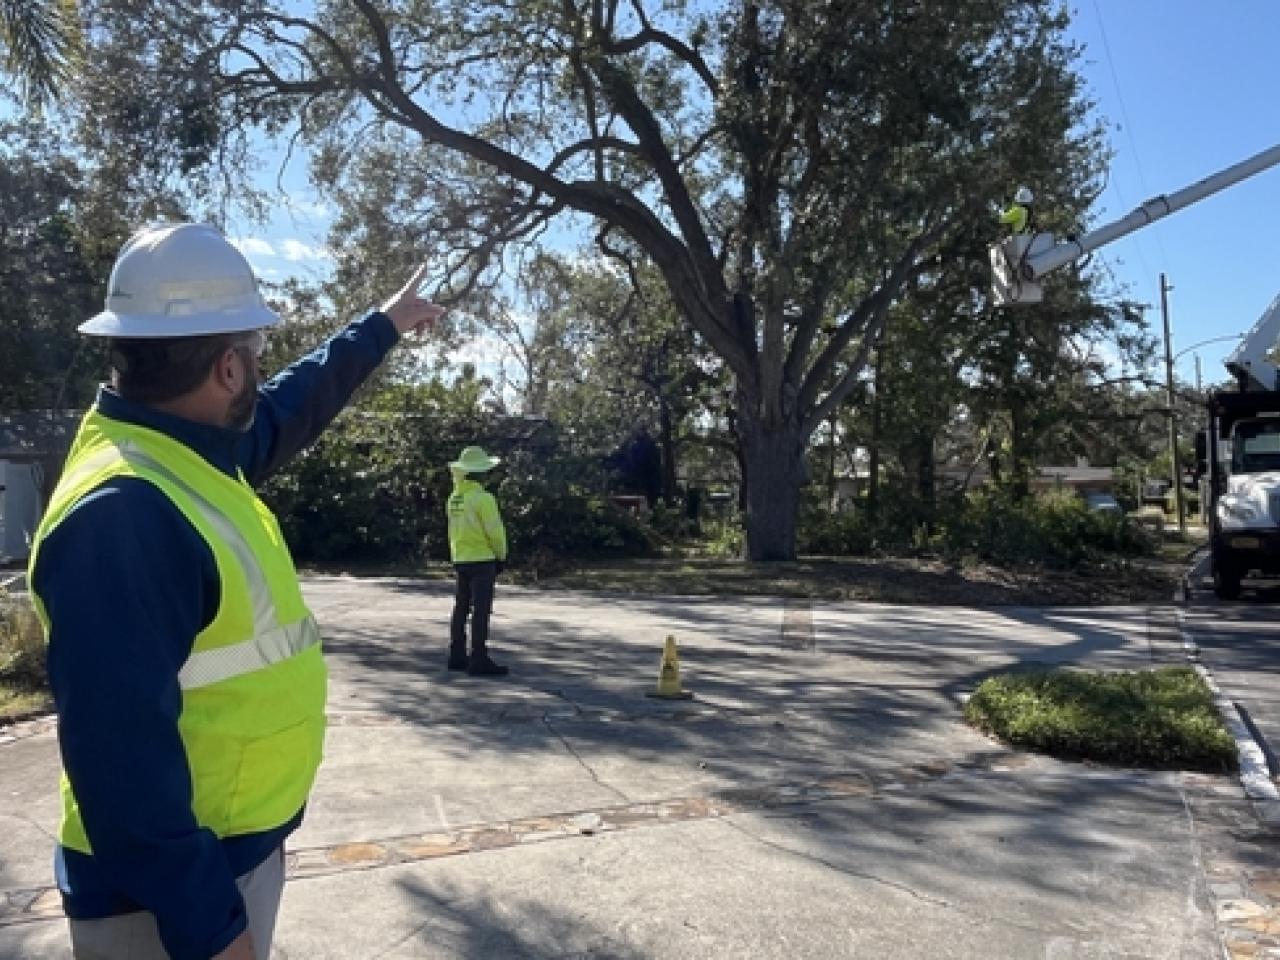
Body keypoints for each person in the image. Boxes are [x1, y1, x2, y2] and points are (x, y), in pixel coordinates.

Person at [26, 222, 443, 960]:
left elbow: (288, 407)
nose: (260, 371)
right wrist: (212, 928)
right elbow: (121, 766)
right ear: (226, 368)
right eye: (254, 355)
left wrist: (383, 326)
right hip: (162, 900)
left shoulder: (180, 451)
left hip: (226, 853)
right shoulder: (123, 512)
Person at [446, 445, 510, 677]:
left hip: (461, 558)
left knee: (461, 607)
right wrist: (501, 555)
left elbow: (453, 530)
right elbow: (495, 532)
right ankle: (479, 657)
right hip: (482, 559)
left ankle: (456, 654)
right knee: (481, 610)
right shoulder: (483, 498)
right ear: (481, 473)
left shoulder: (454, 498)